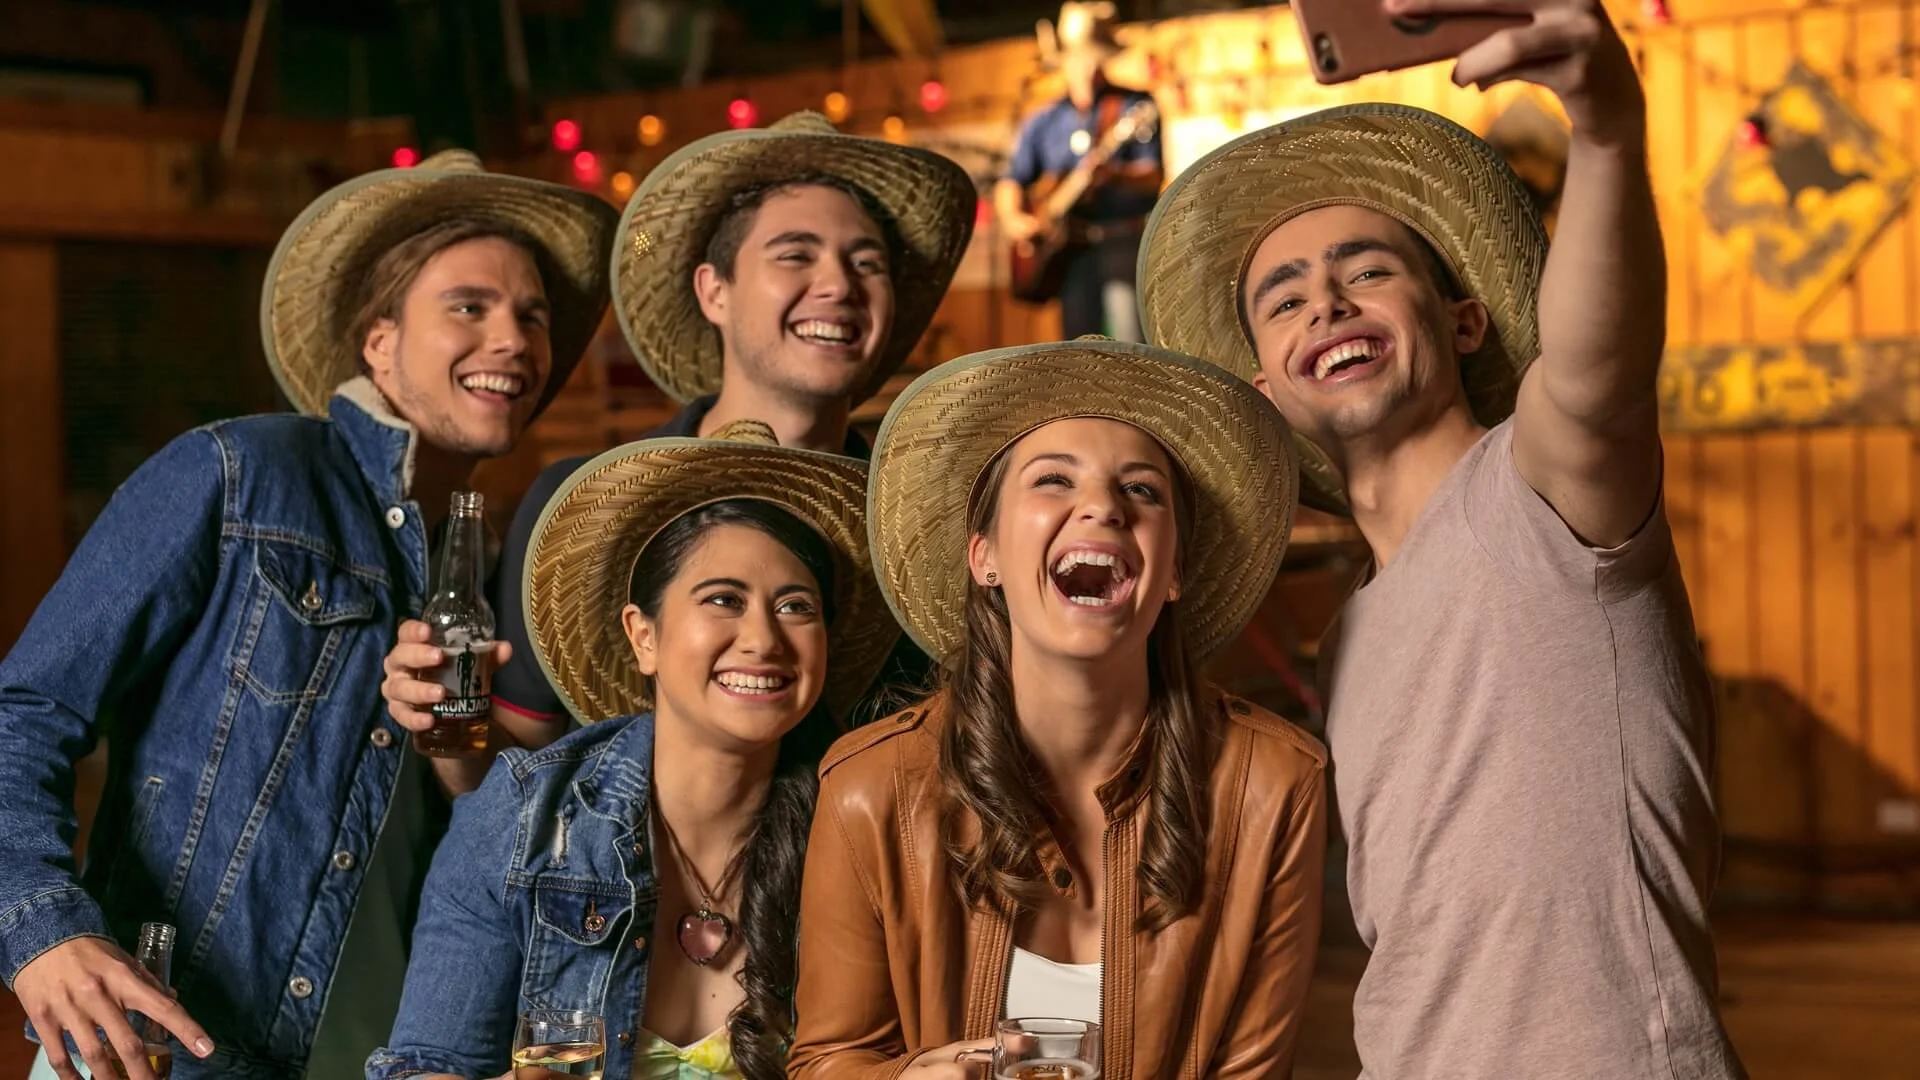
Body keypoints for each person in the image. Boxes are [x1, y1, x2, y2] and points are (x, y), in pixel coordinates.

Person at [1136, 2, 1746, 1076]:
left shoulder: (1544, 487)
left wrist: (1605, 126)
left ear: (1462, 321)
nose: (1325, 299)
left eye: (1368, 270)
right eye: (1283, 298)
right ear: (1268, 393)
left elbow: (1599, 373)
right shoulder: (1351, 633)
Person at [0, 151, 617, 1079]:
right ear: (378, 340)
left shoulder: (504, 568)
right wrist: (41, 933)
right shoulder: (239, 475)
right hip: (176, 1051)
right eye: (469, 307)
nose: (517, 341)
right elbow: (25, 712)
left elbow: (493, 852)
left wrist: (467, 752)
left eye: (532, 317)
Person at [787, 339, 1328, 1078]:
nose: (1102, 506)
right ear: (986, 558)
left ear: (1172, 572)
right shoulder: (869, 787)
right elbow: (831, 1059)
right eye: (1052, 481)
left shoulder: (1273, 783)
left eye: (1140, 490)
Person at [378, 111, 975, 746]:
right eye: (796, 255)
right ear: (714, 291)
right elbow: (512, 780)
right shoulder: (581, 512)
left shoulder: (926, 531)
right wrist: (444, 723)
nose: (837, 285)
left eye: (867, 263)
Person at [366, 420, 897, 1080]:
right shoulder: (524, 816)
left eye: (795, 607)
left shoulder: (865, 824)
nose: (763, 638)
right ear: (643, 636)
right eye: (724, 599)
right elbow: (424, 1065)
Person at [994, 1, 1164, 340]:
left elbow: (1153, 177)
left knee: (1133, 346)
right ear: (1065, 59)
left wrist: (1112, 175)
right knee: (1078, 348)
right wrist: (1015, 220)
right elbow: (1011, 179)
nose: (1088, 67)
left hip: (1123, 241)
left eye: (1094, 57)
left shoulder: (1135, 106)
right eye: (1081, 58)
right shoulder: (1044, 120)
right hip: (1068, 251)